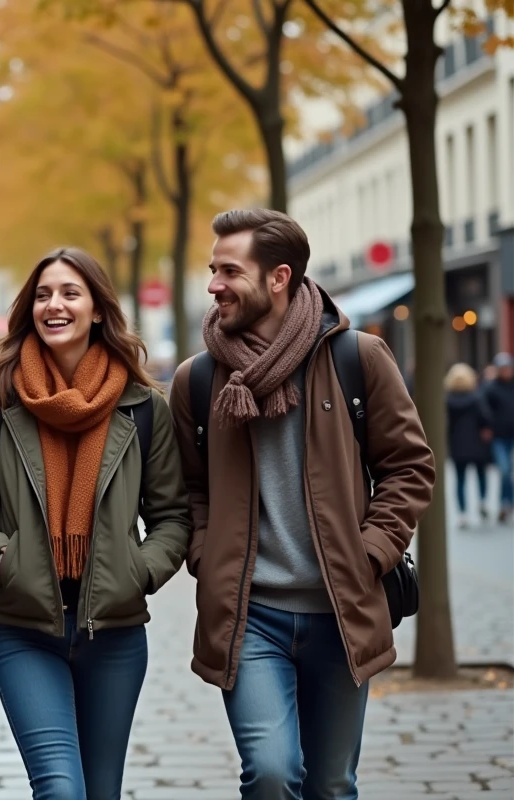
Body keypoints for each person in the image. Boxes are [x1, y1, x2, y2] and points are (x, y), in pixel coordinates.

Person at [169, 209, 435, 800]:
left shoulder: (356, 358)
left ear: (278, 277)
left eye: (229, 271)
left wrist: (368, 554)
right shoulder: (197, 380)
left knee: (333, 783)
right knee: (271, 772)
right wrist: (207, 556)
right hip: (249, 615)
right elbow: (188, 489)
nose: (213, 284)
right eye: (212, 269)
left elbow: (409, 468)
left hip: (342, 611)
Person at [0, 247, 192, 798]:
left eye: (70, 293)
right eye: (43, 294)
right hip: (25, 626)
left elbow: (173, 516)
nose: (54, 305)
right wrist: (3, 557)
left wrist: (138, 571)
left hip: (116, 632)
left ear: (98, 310)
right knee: (60, 788)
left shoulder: (144, 405)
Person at [445, 363, 493, 525]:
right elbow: (485, 417)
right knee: (481, 475)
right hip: (476, 442)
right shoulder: (477, 397)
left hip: (457, 443)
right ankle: (483, 501)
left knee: (460, 479)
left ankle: (462, 513)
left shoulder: (447, 400)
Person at [482, 352, 514, 522]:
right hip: (499, 436)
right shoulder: (491, 388)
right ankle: (505, 503)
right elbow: (484, 410)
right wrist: (488, 427)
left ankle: (508, 502)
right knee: (504, 470)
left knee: (509, 472)